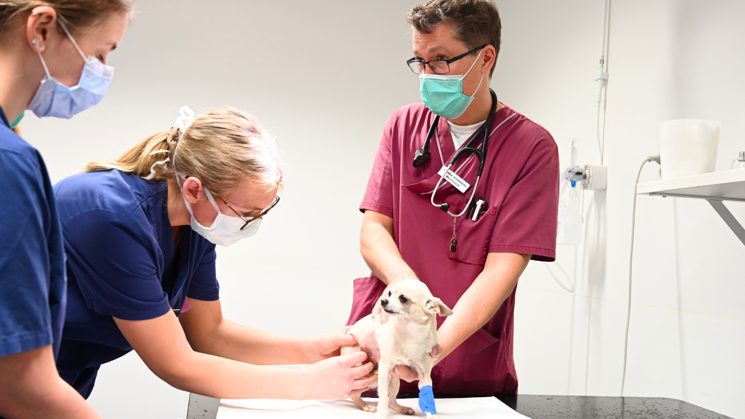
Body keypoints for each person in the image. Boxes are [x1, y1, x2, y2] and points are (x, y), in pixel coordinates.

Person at [52, 106, 377, 401]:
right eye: (246, 212)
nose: (252, 224)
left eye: (262, 213)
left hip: (62, 382)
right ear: (195, 189)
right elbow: (176, 364)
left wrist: (314, 350)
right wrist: (308, 385)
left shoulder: (195, 227)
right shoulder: (112, 217)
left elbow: (210, 334)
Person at [346, 0, 560, 396]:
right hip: (384, 343)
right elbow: (373, 229)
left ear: (485, 57)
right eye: (420, 61)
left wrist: (431, 347)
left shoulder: (532, 148)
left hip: (468, 359)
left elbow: (503, 269)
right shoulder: (403, 126)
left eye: (441, 59)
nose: (428, 74)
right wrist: (410, 297)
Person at [0, 1, 129, 418]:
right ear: (40, 27)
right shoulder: (10, 163)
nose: (100, 73)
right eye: (99, 54)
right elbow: (21, 386)